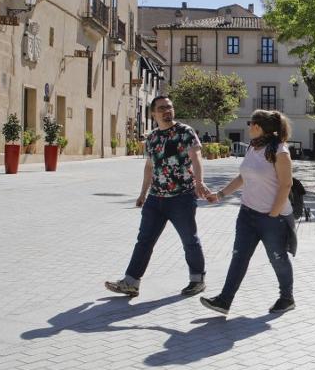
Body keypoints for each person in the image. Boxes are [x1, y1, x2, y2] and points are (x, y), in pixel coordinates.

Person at [105, 95, 211, 297]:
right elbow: (149, 166)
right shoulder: (152, 137)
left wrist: (199, 181)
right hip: (156, 199)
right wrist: (143, 193)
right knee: (144, 240)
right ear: (153, 113)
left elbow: (196, 157)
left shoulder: (185, 131)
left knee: (189, 239)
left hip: (181, 196)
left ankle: (197, 279)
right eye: (162, 108)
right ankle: (131, 282)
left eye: (169, 107)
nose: (167, 111)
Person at [200, 109, 296, 316]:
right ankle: (224, 301)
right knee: (239, 257)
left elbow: (286, 185)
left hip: (272, 218)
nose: (248, 127)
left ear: (258, 127)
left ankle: (286, 298)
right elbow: (244, 176)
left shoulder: (280, 151)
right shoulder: (253, 148)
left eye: (250, 123)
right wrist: (221, 194)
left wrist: (273, 214)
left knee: (277, 258)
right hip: (247, 215)